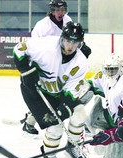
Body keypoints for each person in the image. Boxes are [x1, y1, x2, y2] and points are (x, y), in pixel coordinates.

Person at [13, 21, 89, 158]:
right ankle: (49, 156)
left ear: (80, 43)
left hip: (57, 93)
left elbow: (71, 91)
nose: (70, 46)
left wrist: (63, 109)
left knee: (80, 115)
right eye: (68, 40)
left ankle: (72, 145)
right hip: (35, 91)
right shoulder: (45, 46)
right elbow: (18, 49)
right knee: (55, 126)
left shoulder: (81, 62)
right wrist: (25, 70)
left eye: (75, 42)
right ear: (61, 38)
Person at [22, 0, 91, 136]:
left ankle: (75, 121)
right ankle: (29, 122)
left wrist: (82, 46)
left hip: (62, 64)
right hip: (46, 66)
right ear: (52, 11)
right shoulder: (42, 25)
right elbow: (35, 47)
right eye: (57, 10)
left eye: (63, 10)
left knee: (62, 94)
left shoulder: (68, 19)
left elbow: (72, 36)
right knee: (48, 97)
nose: (61, 13)